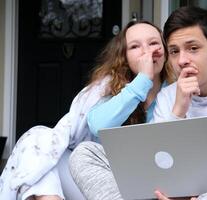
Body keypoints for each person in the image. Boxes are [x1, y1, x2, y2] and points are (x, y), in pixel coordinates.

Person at [70, 6, 207, 200]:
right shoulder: (169, 96)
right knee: (85, 153)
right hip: (163, 194)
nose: (182, 60)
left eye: (193, 48)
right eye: (175, 51)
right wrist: (178, 111)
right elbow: (158, 167)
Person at [0, 20, 174, 200]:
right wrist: (143, 80)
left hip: (148, 188)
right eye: (135, 46)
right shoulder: (111, 88)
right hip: (100, 184)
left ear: (165, 51)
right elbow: (98, 125)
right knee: (40, 144)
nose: (147, 51)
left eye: (153, 43)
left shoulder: (176, 92)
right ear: (125, 57)